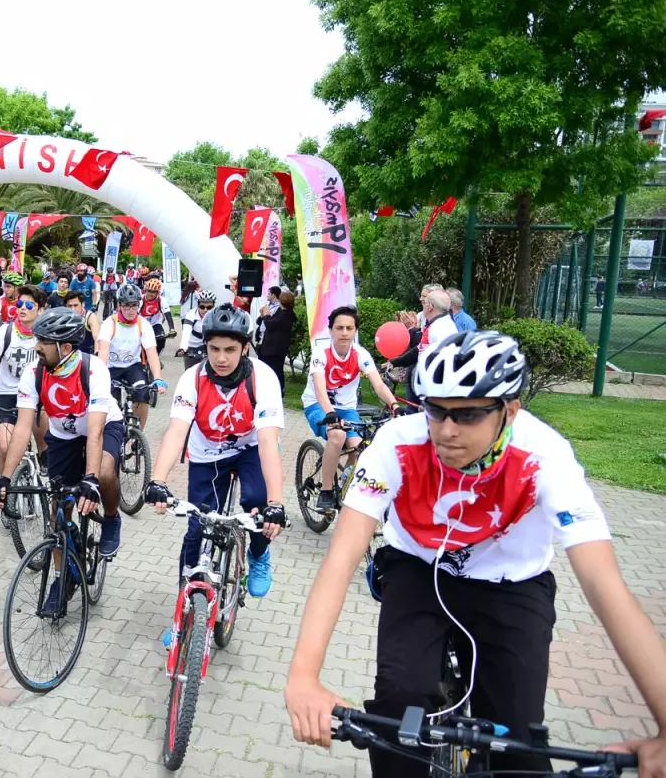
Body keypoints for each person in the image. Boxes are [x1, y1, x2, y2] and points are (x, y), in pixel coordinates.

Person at [284, 330, 666, 776]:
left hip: (512, 584)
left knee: (518, 740)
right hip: (419, 572)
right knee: (397, 705)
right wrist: (304, 677)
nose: (446, 431)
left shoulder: (545, 455)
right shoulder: (397, 443)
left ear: (509, 411)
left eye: (467, 415)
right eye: (436, 411)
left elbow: (603, 583)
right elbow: (341, 557)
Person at [145, 304, 287, 597]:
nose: (221, 358)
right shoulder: (192, 379)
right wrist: (157, 480)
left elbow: (269, 444)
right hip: (208, 452)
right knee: (199, 527)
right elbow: (176, 433)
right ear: (205, 346)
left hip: (250, 447)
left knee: (258, 502)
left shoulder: (263, 378)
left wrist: (277, 502)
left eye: (230, 350)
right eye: (214, 349)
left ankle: (259, 554)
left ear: (245, 347)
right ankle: (184, 616)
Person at [0, 307, 125, 565]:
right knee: (59, 513)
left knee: (104, 472)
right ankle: (62, 580)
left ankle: (111, 517)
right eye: (37, 339)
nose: (37, 347)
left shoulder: (93, 369)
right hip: (64, 436)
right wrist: (4, 478)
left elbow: (95, 432)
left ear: (64, 347)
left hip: (104, 427)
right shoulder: (33, 373)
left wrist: (91, 480)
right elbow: (22, 429)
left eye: (45, 341)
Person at [302, 306, 401, 512]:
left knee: (360, 447)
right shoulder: (321, 353)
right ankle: (327, 491)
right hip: (318, 405)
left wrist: (395, 406)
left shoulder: (360, 354)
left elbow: (379, 385)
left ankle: (345, 486)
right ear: (331, 330)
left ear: (355, 331)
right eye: (339, 328)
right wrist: (330, 414)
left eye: (349, 328)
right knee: (337, 435)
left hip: (346, 409)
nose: (344, 333)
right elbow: (320, 388)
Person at [0, 284, 47, 472]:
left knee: (46, 449)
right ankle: (4, 489)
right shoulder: (4, 332)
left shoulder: (46, 336)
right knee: (6, 447)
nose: (22, 308)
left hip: (36, 396)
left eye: (29, 305)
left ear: (41, 310)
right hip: (6, 395)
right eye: (20, 303)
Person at [96, 283, 168, 432]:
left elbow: (152, 353)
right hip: (111, 367)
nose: (130, 310)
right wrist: (100, 376)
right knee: (108, 401)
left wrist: (158, 378)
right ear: (119, 305)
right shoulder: (110, 324)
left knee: (142, 395)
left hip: (133, 367)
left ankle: (137, 434)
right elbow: (103, 352)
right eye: (126, 306)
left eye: (134, 306)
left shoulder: (144, 325)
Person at [255, 291, 298, 392]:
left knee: (275, 371)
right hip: (271, 348)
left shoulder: (286, 315)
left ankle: (277, 390)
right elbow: (267, 321)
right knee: (268, 370)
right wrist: (264, 315)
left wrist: (266, 315)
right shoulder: (280, 312)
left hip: (275, 349)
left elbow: (270, 324)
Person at [177, 290, 216, 368]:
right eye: (202, 307)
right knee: (189, 374)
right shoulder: (191, 314)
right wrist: (183, 348)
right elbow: (186, 331)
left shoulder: (216, 315)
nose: (205, 310)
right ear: (198, 305)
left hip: (207, 347)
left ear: (214, 306)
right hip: (192, 347)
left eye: (209, 307)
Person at [139, 278, 175, 354]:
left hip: (155, 323)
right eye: (148, 291)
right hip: (142, 324)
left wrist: (172, 329)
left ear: (157, 292)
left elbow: (168, 314)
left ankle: (155, 356)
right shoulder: (141, 299)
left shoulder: (161, 300)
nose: (150, 294)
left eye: (153, 292)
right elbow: (135, 314)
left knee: (161, 340)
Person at [64, 291, 100, 355]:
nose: (73, 309)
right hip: (70, 355)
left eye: (75, 305)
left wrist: (96, 357)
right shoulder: (63, 317)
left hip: (87, 355)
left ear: (83, 304)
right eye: (69, 306)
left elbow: (97, 338)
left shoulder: (90, 317)